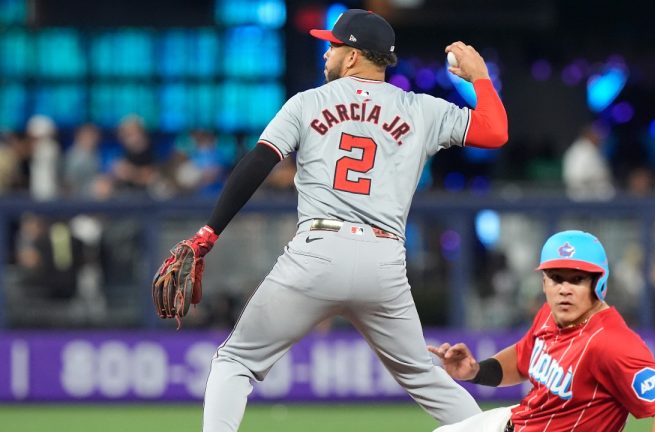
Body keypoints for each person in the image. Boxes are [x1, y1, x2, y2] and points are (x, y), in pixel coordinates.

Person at [154, 9, 508, 431]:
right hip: (384, 262)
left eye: (333, 45)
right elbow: (495, 131)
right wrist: (480, 78)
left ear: (354, 55)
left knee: (235, 361)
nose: (326, 52)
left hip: (318, 252)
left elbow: (258, 162)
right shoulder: (422, 109)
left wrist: (208, 233)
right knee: (425, 377)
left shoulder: (308, 102)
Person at [429, 230, 655, 432]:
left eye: (577, 279)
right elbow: (523, 358)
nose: (564, 289)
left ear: (599, 284)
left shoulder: (613, 343)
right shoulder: (550, 314)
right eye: (556, 277)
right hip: (512, 420)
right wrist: (476, 371)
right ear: (544, 283)